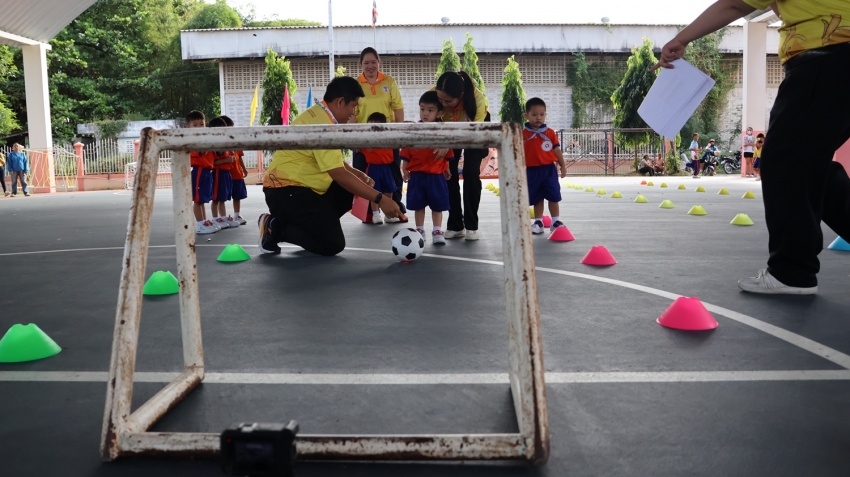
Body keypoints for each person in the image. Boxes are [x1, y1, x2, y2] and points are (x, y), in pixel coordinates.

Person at [653, 0, 850, 295]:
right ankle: (794, 269)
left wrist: (681, 39)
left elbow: (734, 5)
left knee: (785, 164)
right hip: (834, 61)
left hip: (826, 59)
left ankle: (792, 272)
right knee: (808, 166)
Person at [259, 76, 401, 256]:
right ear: (340, 102)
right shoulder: (323, 124)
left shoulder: (322, 116)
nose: (353, 113)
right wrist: (381, 199)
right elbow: (338, 173)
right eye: (353, 106)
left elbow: (333, 162)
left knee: (351, 187)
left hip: (302, 190)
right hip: (285, 192)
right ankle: (274, 227)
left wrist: (357, 173)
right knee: (332, 244)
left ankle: (319, 225)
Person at [352, 47, 408, 222]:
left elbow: (398, 107)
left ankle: (395, 210)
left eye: (373, 62)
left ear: (379, 62)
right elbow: (352, 112)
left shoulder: (389, 81)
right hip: (364, 139)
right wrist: (355, 138)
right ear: (361, 64)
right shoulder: (355, 84)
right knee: (363, 176)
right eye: (366, 63)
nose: (370, 66)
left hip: (388, 138)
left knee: (393, 175)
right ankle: (369, 213)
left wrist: (398, 133)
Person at [435, 71, 490, 241]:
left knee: (471, 172)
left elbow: (472, 133)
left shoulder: (478, 101)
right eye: (440, 99)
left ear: (461, 95)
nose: (443, 103)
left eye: (448, 101)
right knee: (448, 173)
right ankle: (455, 225)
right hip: (448, 131)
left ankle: (471, 226)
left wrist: (448, 143)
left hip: (474, 131)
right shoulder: (435, 94)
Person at [400, 91, 455, 245]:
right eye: (422, 109)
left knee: (438, 206)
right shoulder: (414, 130)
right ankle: (419, 230)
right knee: (419, 206)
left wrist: (446, 167)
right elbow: (406, 152)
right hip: (417, 176)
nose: (425, 113)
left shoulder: (443, 131)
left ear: (439, 113)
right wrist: (404, 168)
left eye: (430, 110)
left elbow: (447, 154)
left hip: (436, 176)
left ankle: (437, 230)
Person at [522, 97, 567, 235]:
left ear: (545, 115)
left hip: (548, 170)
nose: (538, 118)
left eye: (542, 114)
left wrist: (562, 165)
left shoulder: (550, 133)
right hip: (531, 171)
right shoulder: (522, 134)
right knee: (537, 197)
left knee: (553, 195)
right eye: (534, 114)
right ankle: (538, 222)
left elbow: (557, 150)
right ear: (526, 115)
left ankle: (555, 221)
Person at [362, 112, 400, 224]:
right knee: (373, 192)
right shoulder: (365, 140)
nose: (373, 129)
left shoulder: (388, 138)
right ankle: (376, 214)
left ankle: (389, 215)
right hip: (373, 168)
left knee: (389, 191)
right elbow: (355, 146)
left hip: (386, 168)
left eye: (376, 126)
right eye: (370, 126)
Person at [186, 110, 218, 234]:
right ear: (188, 127)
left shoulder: (204, 138)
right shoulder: (193, 140)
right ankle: (200, 224)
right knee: (197, 200)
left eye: (201, 124)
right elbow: (200, 152)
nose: (199, 127)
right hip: (199, 170)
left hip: (206, 171)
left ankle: (204, 221)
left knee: (202, 199)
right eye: (195, 125)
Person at [208, 116, 240, 229]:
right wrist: (227, 160)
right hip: (218, 173)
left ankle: (223, 217)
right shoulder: (213, 145)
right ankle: (215, 218)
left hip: (226, 173)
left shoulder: (224, 143)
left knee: (222, 197)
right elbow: (214, 162)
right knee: (216, 198)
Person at [219, 115, 249, 225]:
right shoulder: (220, 142)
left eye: (232, 128)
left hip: (237, 174)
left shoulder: (236, 141)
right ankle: (222, 218)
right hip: (226, 174)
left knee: (238, 196)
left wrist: (244, 169)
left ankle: (236, 215)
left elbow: (239, 156)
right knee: (222, 197)